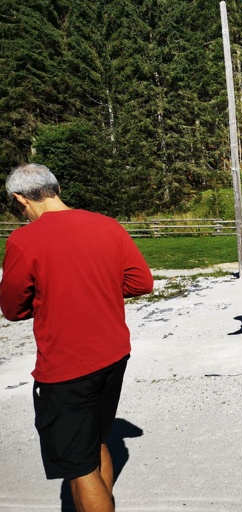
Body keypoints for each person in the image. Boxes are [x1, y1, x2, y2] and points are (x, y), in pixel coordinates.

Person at [0, 163, 154, 512]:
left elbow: (12, 307)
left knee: (77, 465)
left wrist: (57, 297)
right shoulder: (107, 225)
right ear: (55, 189)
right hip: (113, 353)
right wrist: (97, 291)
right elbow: (141, 282)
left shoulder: (24, 240)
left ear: (21, 199)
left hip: (66, 365)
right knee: (95, 441)